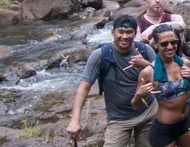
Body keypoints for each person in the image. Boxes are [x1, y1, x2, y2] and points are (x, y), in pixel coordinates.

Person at [66, 15, 157, 147]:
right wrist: (75, 120)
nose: (125, 36)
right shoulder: (100, 55)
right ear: (113, 32)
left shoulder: (145, 50)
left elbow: (160, 78)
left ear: (135, 33)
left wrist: (145, 64)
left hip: (148, 112)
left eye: (129, 32)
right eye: (121, 32)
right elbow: (84, 87)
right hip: (118, 119)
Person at [133, 24, 190, 147]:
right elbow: (135, 106)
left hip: (185, 122)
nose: (170, 47)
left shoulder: (184, 64)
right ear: (156, 45)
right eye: (164, 44)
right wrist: (139, 95)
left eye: (173, 42)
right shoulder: (149, 72)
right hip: (164, 129)